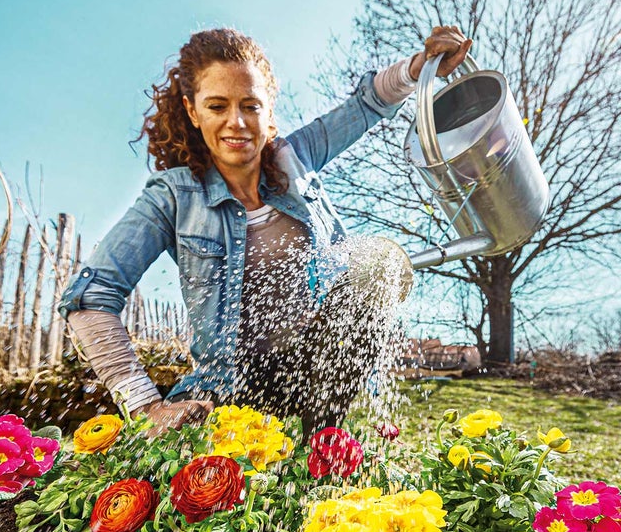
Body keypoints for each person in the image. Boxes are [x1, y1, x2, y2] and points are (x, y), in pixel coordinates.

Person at [60, 24, 472, 437]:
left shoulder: (297, 158)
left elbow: (367, 105)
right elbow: (91, 296)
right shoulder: (175, 196)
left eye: (250, 106)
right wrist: (145, 405)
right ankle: (287, 451)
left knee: (379, 260)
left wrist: (423, 66)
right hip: (230, 389)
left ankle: (322, 445)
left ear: (269, 109)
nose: (235, 122)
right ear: (192, 110)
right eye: (217, 106)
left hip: (319, 369)